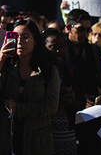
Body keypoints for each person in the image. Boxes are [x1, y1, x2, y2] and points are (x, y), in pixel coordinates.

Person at [0, 19, 60, 155]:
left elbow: (51, 106)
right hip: (8, 140)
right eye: (15, 37)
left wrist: (18, 108)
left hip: (37, 143)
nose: (20, 42)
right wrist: (0, 60)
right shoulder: (6, 66)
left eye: (25, 37)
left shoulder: (48, 70)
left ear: (36, 40)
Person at [63, 8, 101, 155]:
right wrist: (79, 98)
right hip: (66, 114)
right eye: (80, 29)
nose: (85, 34)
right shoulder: (59, 50)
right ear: (68, 28)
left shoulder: (93, 51)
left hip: (92, 115)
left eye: (87, 30)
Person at [41, 28, 86, 155]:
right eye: (53, 47)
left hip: (67, 134)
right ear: (43, 48)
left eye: (62, 46)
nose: (59, 50)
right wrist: (56, 99)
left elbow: (82, 103)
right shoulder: (38, 72)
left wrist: (70, 101)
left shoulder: (71, 69)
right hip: (43, 133)